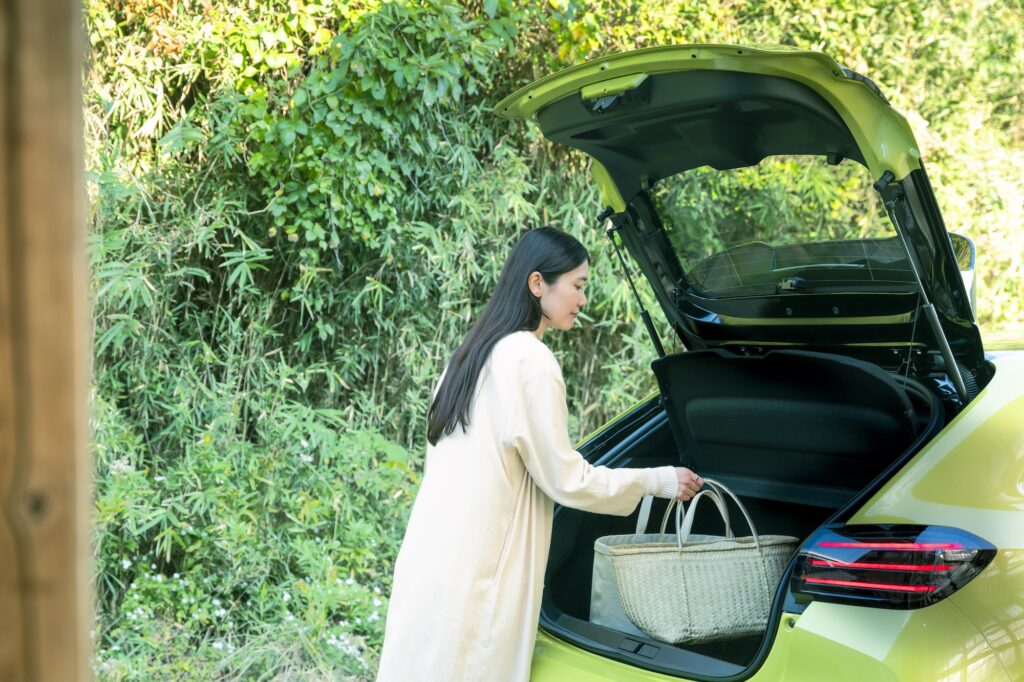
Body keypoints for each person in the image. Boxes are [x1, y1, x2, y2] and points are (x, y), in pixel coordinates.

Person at [375, 226, 702, 681]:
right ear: (537, 284)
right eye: (578, 286)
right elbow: (568, 481)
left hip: (432, 563)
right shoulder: (530, 361)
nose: (582, 300)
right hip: (482, 576)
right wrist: (660, 480)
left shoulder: (467, 357)